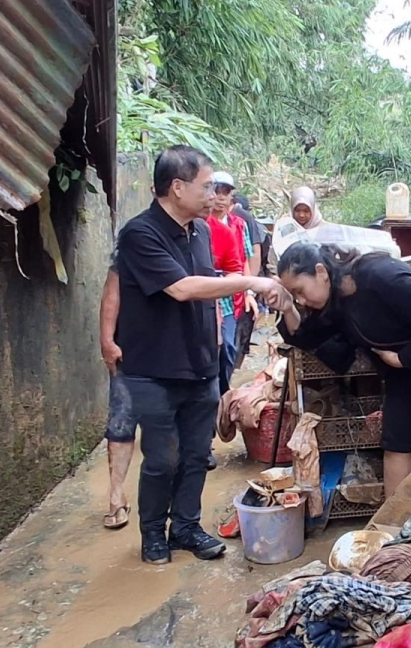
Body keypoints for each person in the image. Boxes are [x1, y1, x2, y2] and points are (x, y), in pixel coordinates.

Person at [115, 145, 288, 565]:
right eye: (206, 186)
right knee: (162, 458)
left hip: (199, 364)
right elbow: (182, 288)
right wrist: (251, 282)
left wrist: (215, 345)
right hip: (153, 370)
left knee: (196, 454)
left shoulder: (202, 231)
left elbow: (207, 288)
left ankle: (186, 528)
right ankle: (153, 533)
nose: (214, 194)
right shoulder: (140, 234)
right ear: (177, 187)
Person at [274, 243, 411, 510]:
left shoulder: (380, 276)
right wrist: (287, 308)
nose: (300, 300)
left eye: (299, 291)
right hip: (407, 371)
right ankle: (397, 526)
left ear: (321, 272)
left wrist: (401, 359)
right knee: (396, 445)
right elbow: (310, 337)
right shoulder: (337, 300)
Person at [208, 171, 257, 395]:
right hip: (203, 291)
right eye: (216, 191)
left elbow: (244, 260)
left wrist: (248, 292)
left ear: (231, 197)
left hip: (229, 296)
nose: (220, 197)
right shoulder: (199, 223)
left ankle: (223, 393)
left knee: (228, 346)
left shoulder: (238, 225)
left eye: (225, 192)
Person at [99, 264, 134, 531]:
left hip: (175, 353)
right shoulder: (132, 246)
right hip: (130, 349)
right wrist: (107, 342)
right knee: (121, 421)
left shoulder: (192, 244)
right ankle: (115, 497)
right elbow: (112, 292)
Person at [232, 194, 268, 370]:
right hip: (237, 286)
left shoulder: (243, 220)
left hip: (244, 286)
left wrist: (249, 290)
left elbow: (254, 255)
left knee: (240, 336)